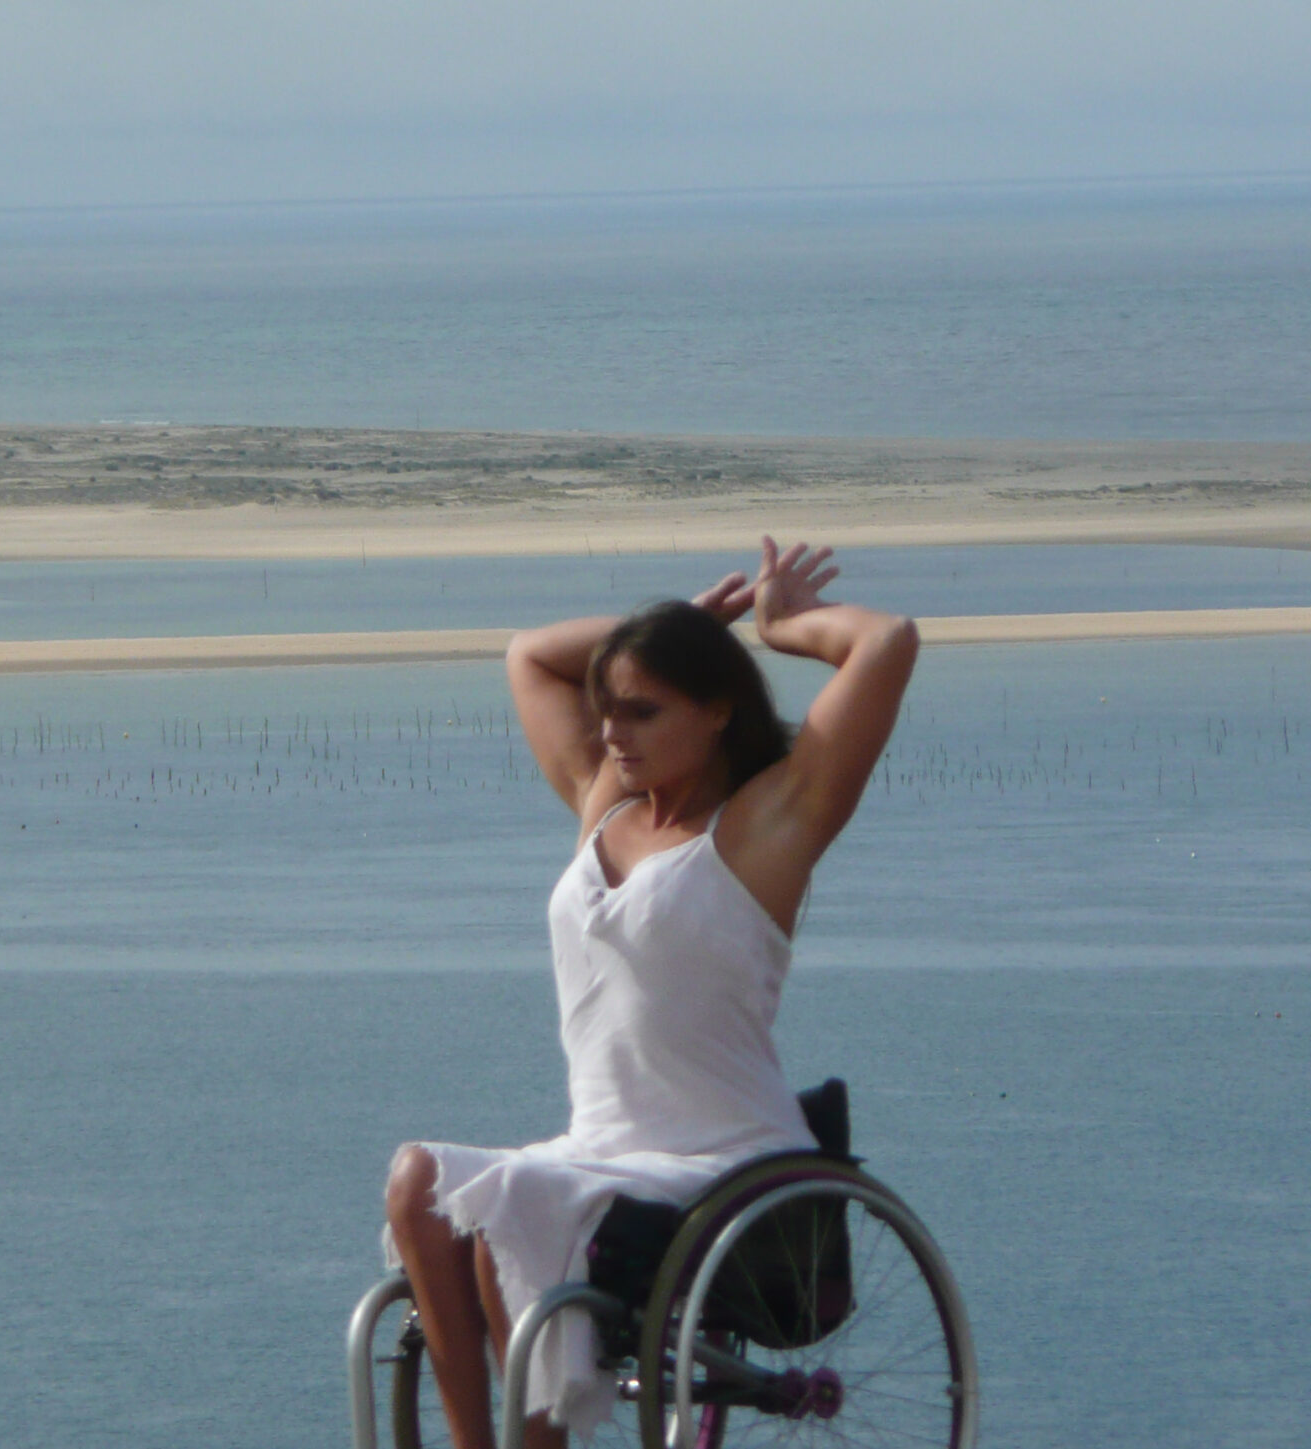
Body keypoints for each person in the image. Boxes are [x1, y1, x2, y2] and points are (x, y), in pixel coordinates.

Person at [383, 536, 921, 1448]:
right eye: (607, 710)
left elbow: (889, 640)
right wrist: (670, 626)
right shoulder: (608, 804)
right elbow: (529, 654)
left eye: (641, 710)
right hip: (600, 1149)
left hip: (720, 1157)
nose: (612, 733)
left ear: (716, 711)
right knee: (417, 1184)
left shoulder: (764, 826)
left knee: (511, 1203)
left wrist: (781, 624)